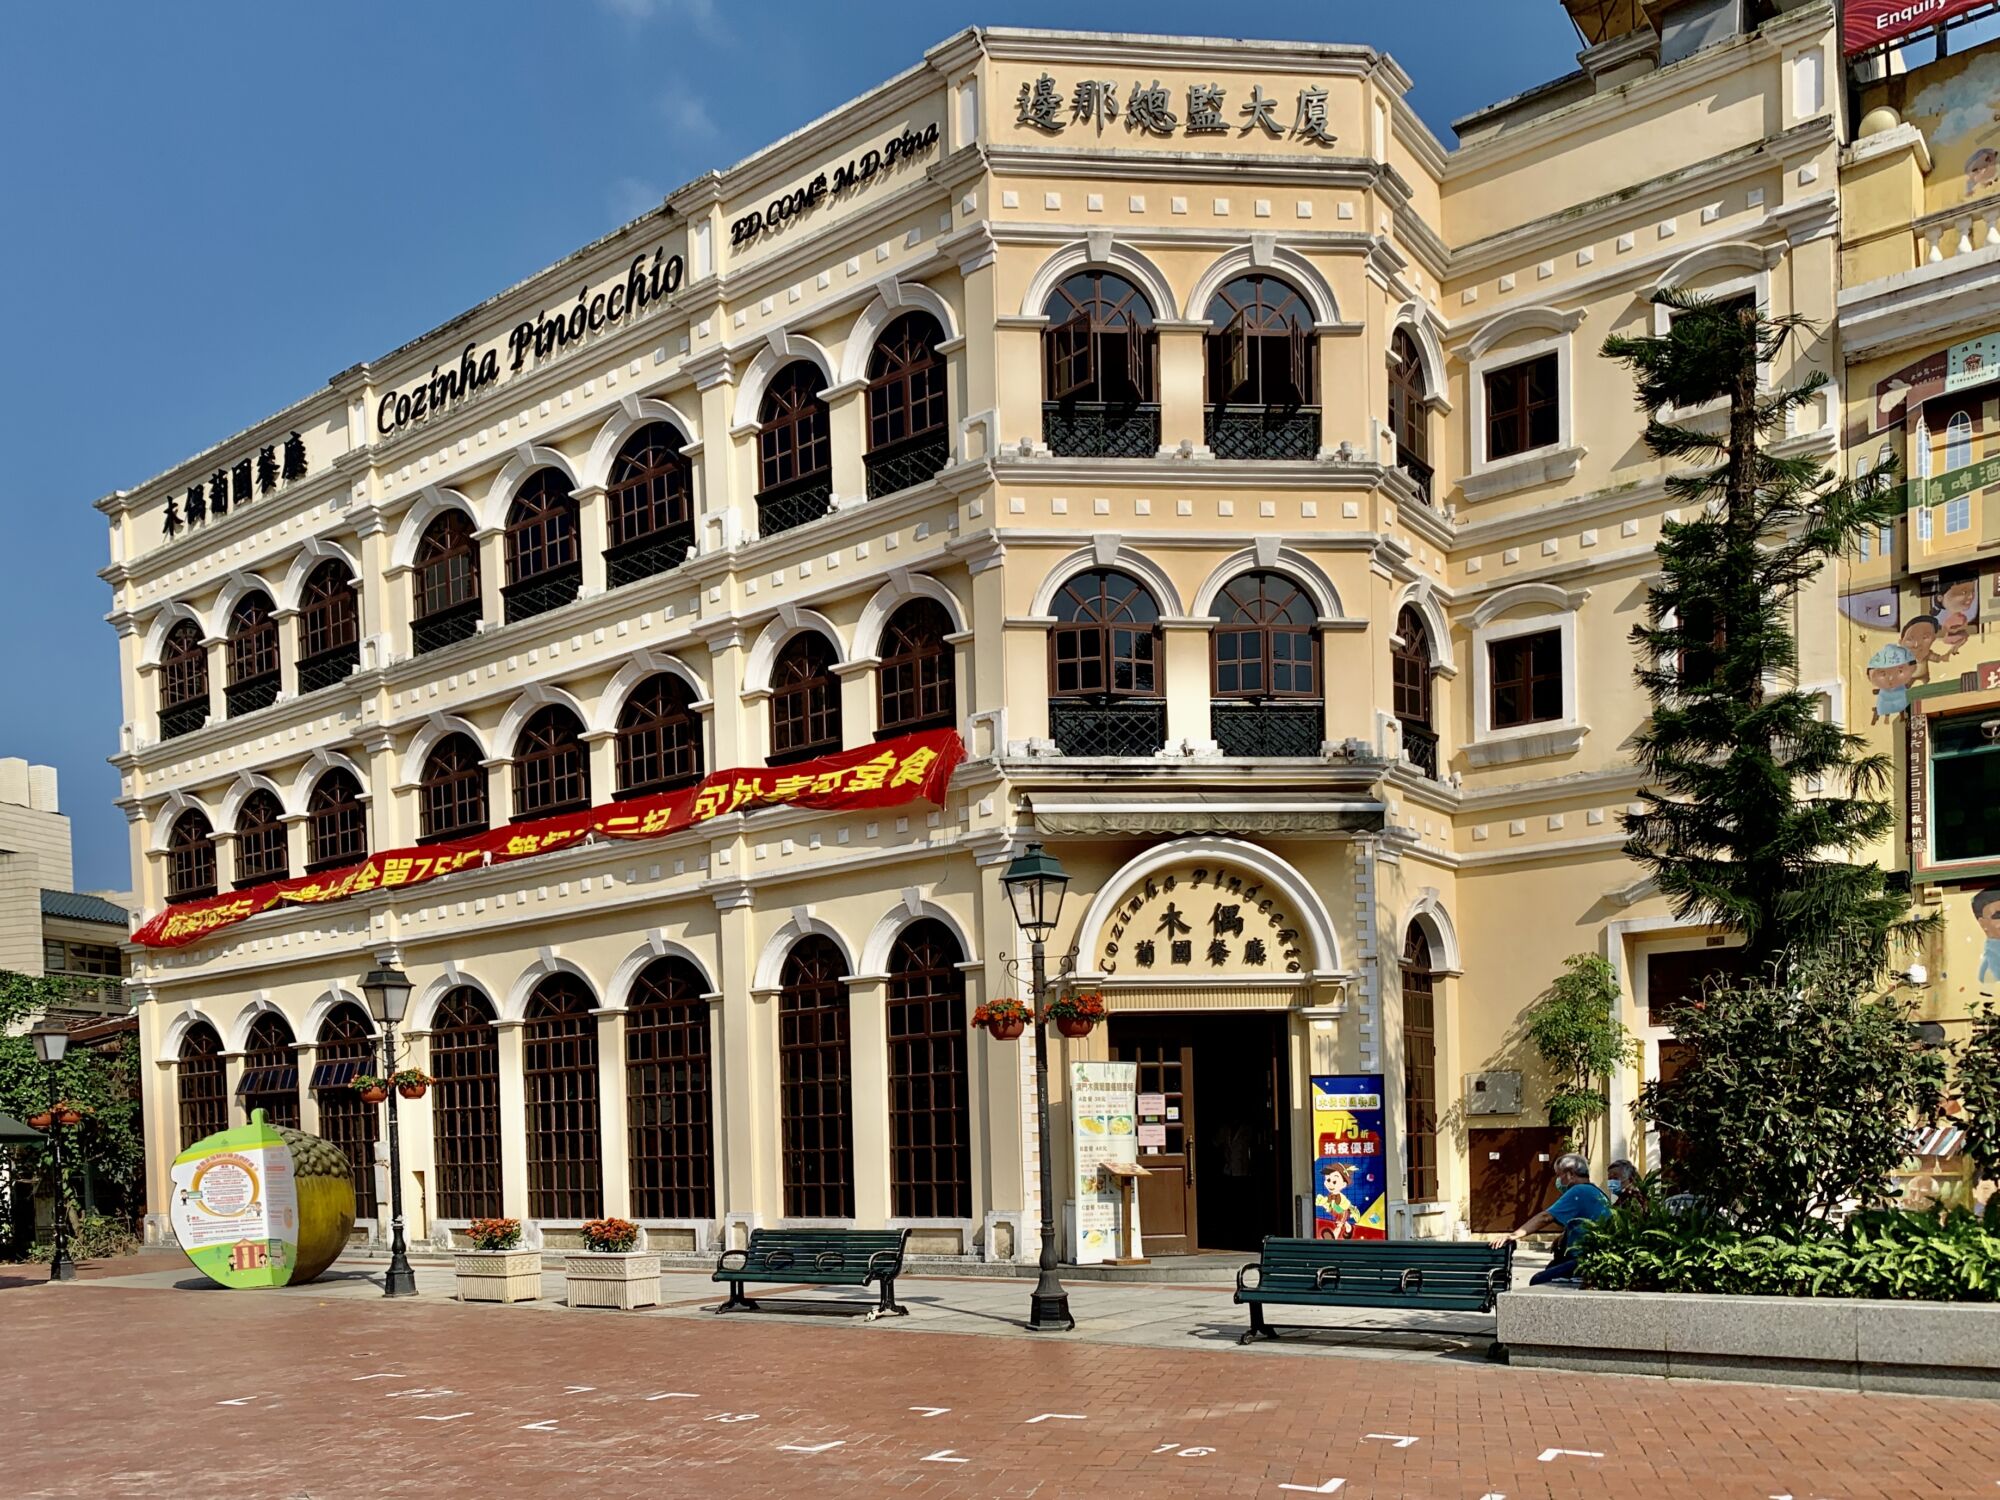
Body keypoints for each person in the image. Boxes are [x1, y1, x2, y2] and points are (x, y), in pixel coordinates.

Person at [1493, 1153, 1610, 1285]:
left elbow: (1546, 1217)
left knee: (1538, 1280)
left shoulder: (1579, 1191)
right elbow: (1583, 1221)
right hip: (1595, 1256)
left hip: (1584, 1259)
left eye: (1559, 1175)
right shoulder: (1596, 1192)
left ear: (1570, 1174)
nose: (1558, 1181)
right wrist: (1563, 1236)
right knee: (1552, 1268)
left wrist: (1513, 1235)